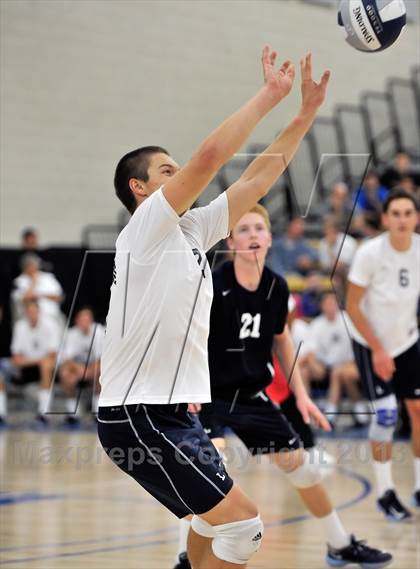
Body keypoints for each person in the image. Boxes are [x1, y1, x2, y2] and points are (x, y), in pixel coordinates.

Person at [97, 48, 342, 569]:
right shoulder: (143, 229)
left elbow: (256, 180)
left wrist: (302, 114)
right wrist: (268, 95)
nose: (180, 171)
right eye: (167, 169)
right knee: (245, 526)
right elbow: (210, 157)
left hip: (172, 413)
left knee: (211, 522)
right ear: (140, 188)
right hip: (136, 416)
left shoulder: (191, 231)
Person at [174, 206, 389, 569]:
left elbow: (283, 338)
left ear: (270, 238)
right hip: (208, 395)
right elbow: (186, 337)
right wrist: (186, 390)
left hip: (253, 395)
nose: (253, 235)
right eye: (244, 229)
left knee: (304, 469)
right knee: (211, 473)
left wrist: (301, 395)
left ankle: (339, 544)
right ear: (230, 241)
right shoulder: (211, 283)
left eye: (260, 228)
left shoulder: (276, 285)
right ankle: (186, 557)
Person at [347, 188, 420, 521]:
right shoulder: (370, 253)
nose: (402, 219)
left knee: (418, 410)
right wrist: (377, 350)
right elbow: (352, 306)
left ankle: (418, 487)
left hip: (406, 340)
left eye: (408, 213)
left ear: (416, 218)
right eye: (396, 213)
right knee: (388, 414)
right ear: (386, 219)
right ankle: (385, 492)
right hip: (368, 340)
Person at [299, 291, 367, 429]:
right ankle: (305, 413)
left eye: (333, 302)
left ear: (338, 304)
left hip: (349, 364)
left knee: (340, 373)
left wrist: (353, 363)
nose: (330, 305)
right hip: (325, 366)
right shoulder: (317, 324)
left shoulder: (348, 320)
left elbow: (360, 345)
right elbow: (310, 348)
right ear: (322, 305)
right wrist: (314, 365)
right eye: (327, 303)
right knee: (303, 371)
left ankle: (331, 416)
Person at [10, 299, 60, 425]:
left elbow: (52, 355)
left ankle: (44, 413)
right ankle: (2, 415)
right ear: (25, 313)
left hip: (46, 366)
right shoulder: (19, 326)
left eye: (34, 311)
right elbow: (16, 358)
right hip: (27, 367)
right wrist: (37, 360)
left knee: (46, 366)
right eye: (29, 312)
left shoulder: (50, 325)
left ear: (39, 312)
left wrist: (31, 360)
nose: (32, 314)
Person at [59, 307, 104, 426]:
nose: (84, 323)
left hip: (94, 368)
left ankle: (97, 413)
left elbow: (102, 358)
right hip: (77, 368)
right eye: (82, 320)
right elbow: (67, 359)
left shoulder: (99, 332)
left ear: (91, 321)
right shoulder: (71, 334)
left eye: (87, 320)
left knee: (101, 372)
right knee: (65, 374)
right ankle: (73, 414)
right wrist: (79, 369)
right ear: (77, 321)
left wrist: (88, 371)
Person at [12, 253, 64, 327]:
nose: (33, 267)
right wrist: (33, 283)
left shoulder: (48, 277)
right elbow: (22, 299)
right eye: (29, 265)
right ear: (24, 267)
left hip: (51, 318)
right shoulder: (18, 281)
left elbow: (59, 297)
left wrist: (40, 295)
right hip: (29, 322)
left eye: (34, 264)